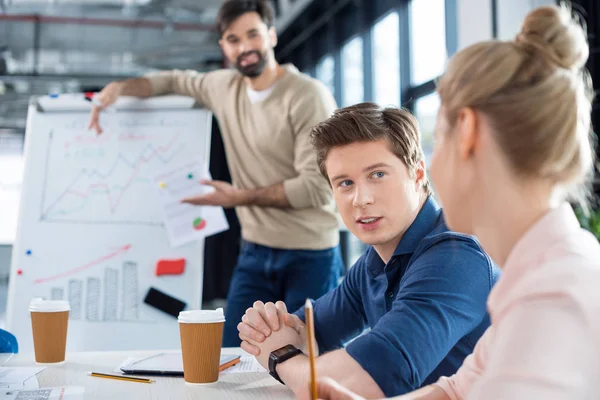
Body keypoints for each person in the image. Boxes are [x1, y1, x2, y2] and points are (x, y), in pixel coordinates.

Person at [315, 4, 600, 400]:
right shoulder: (536, 276)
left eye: (439, 137)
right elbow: (455, 391)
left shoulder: (553, 297)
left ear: (466, 132)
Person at [87, 0, 344, 346]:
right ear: (224, 47)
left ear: (270, 36)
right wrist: (119, 88)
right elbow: (174, 81)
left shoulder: (307, 96)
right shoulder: (224, 87)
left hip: (310, 253)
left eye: (252, 35)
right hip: (255, 249)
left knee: (308, 357)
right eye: (233, 39)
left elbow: (316, 188)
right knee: (231, 356)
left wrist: (238, 198)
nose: (245, 47)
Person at [237, 103, 501, 398]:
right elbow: (306, 332)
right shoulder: (374, 263)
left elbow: (360, 381)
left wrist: (281, 358)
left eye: (377, 175)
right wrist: (269, 329)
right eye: (345, 183)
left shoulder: (457, 258)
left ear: (417, 173)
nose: (361, 199)